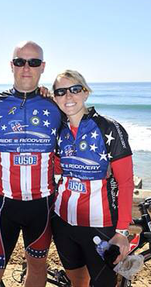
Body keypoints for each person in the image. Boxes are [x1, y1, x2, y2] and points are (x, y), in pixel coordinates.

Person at [0, 41, 61, 287]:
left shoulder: (56, 106)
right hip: (3, 207)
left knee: (36, 268)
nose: (26, 68)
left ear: (42, 67)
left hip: (42, 208)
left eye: (33, 62)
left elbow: (77, 143)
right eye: (20, 61)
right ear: (11, 65)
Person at [51, 70, 134, 287]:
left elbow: (125, 183)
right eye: (60, 92)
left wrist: (122, 232)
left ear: (86, 93)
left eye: (75, 89)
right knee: (77, 281)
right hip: (62, 222)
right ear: (55, 98)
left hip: (100, 226)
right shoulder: (58, 130)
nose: (68, 96)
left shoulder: (109, 128)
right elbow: (58, 166)